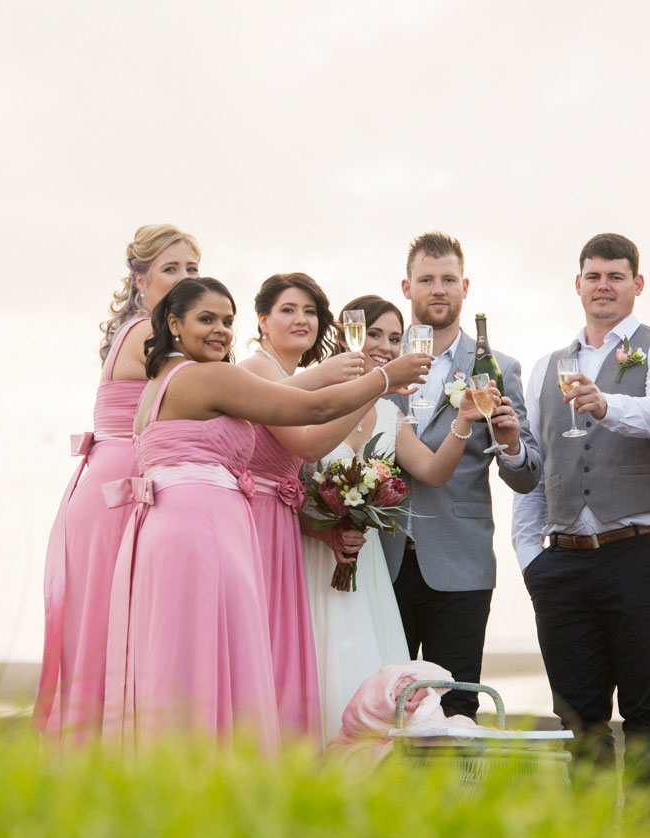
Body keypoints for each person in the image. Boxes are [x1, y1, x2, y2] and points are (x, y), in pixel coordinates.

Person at [101, 278, 430, 747]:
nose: (221, 332)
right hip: (204, 531)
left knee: (181, 661)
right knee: (220, 659)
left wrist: (338, 372)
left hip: (163, 531)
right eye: (206, 320)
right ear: (173, 324)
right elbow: (311, 410)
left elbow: (289, 392)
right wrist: (384, 379)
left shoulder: (160, 384)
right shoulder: (210, 377)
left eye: (227, 321)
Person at [511, 233, 650, 819]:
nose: (604, 286)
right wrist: (532, 559)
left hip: (642, 551)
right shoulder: (545, 368)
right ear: (578, 285)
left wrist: (606, 406)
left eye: (616, 276)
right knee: (578, 718)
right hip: (562, 562)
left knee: (645, 709)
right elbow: (536, 467)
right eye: (594, 276)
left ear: (637, 285)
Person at [36, 224, 200, 743]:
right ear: (140, 276)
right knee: (110, 635)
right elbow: (218, 391)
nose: (183, 280)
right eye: (171, 269)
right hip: (119, 495)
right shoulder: (148, 334)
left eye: (192, 269)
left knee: (121, 632)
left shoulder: (148, 329)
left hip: (118, 485)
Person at [304, 294, 492, 742]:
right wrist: (322, 528)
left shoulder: (391, 413)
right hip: (312, 562)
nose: (387, 346)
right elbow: (287, 488)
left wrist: (463, 420)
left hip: (367, 574)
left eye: (394, 337)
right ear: (347, 335)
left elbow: (433, 471)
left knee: (371, 680)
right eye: (374, 334)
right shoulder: (310, 398)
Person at [379, 232, 542, 720]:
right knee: (384, 704)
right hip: (380, 560)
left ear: (465, 286)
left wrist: (511, 445)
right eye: (426, 279)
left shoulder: (496, 366)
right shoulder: (380, 361)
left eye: (448, 279)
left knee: (457, 707)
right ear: (406, 287)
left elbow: (529, 473)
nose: (438, 289)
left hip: (461, 561)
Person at [239, 273, 369, 740]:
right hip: (251, 526)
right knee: (259, 645)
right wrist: (376, 385)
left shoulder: (291, 378)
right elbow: (310, 444)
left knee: (282, 646)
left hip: (281, 529)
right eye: (288, 310)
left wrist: (323, 529)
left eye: (310, 311)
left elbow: (292, 477)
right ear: (263, 320)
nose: (301, 319)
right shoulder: (256, 368)